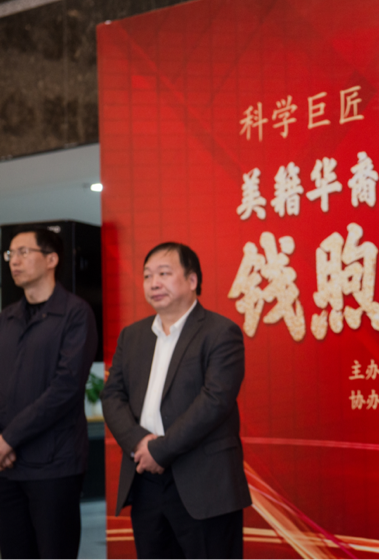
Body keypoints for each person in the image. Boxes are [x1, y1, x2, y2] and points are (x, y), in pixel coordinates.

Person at [101, 242, 251, 560]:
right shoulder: (132, 336)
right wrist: (140, 443)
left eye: (164, 274)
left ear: (192, 280)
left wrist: (160, 449)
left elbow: (215, 401)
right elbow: (112, 395)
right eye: (147, 276)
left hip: (204, 482)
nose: (153, 283)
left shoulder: (220, 332)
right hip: (146, 480)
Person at [0, 226, 98, 560]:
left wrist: (8, 439)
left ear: (52, 259)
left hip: (54, 465)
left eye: (23, 252)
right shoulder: (6, 318)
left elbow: (65, 388)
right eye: (10, 254)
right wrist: (3, 442)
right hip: (8, 465)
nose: (14, 261)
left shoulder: (75, 313)